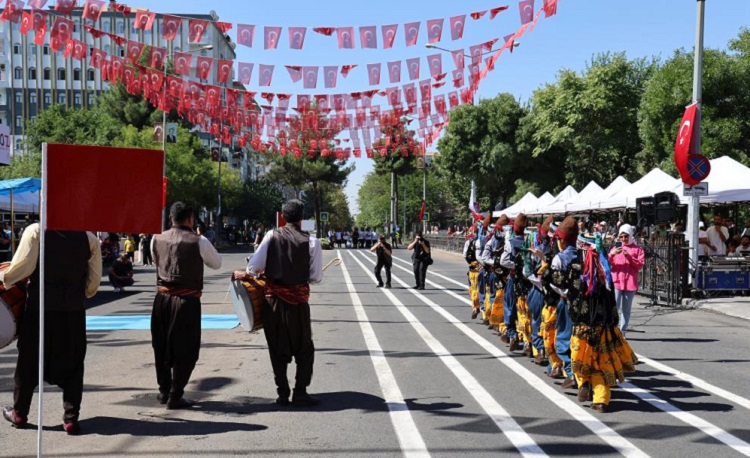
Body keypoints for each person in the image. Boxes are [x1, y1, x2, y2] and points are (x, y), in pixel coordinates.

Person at [1, 223, 101, 434]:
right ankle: (71, 418)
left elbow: (22, 269)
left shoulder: (35, 231)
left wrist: (4, 277)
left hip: (40, 310)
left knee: (28, 361)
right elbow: (92, 286)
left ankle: (19, 413)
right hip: (73, 312)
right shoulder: (88, 237)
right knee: (74, 362)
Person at [234, 199, 323, 407]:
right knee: (304, 348)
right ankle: (300, 392)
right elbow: (316, 277)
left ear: (283, 215)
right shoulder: (312, 242)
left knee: (277, 347)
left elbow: (253, 268)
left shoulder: (271, 236)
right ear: (302, 217)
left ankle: (282, 393)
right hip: (299, 304)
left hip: (273, 303)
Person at [150, 202, 222, 409]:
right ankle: (175, 394)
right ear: (190, 219)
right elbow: (216, 263)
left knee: (161, 347)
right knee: (187, 350)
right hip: (186, 302)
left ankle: (164, 391)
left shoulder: (156, 238)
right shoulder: (199, 241)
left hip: (161, 300)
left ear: (171, 218)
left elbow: (156, 260)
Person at [608, 224, 645, 333]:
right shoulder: (615, 248)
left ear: (630, 236)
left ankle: (622, 331)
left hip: (630, 283)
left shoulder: (638, 249)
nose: (624, 239)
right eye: (621, 237)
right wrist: (611, 254)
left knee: (626, 310)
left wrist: (629, 256)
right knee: (615, 307)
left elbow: (640, 265)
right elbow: (607, 263)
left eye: (626, 236)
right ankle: (612, 330)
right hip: (617, 282)